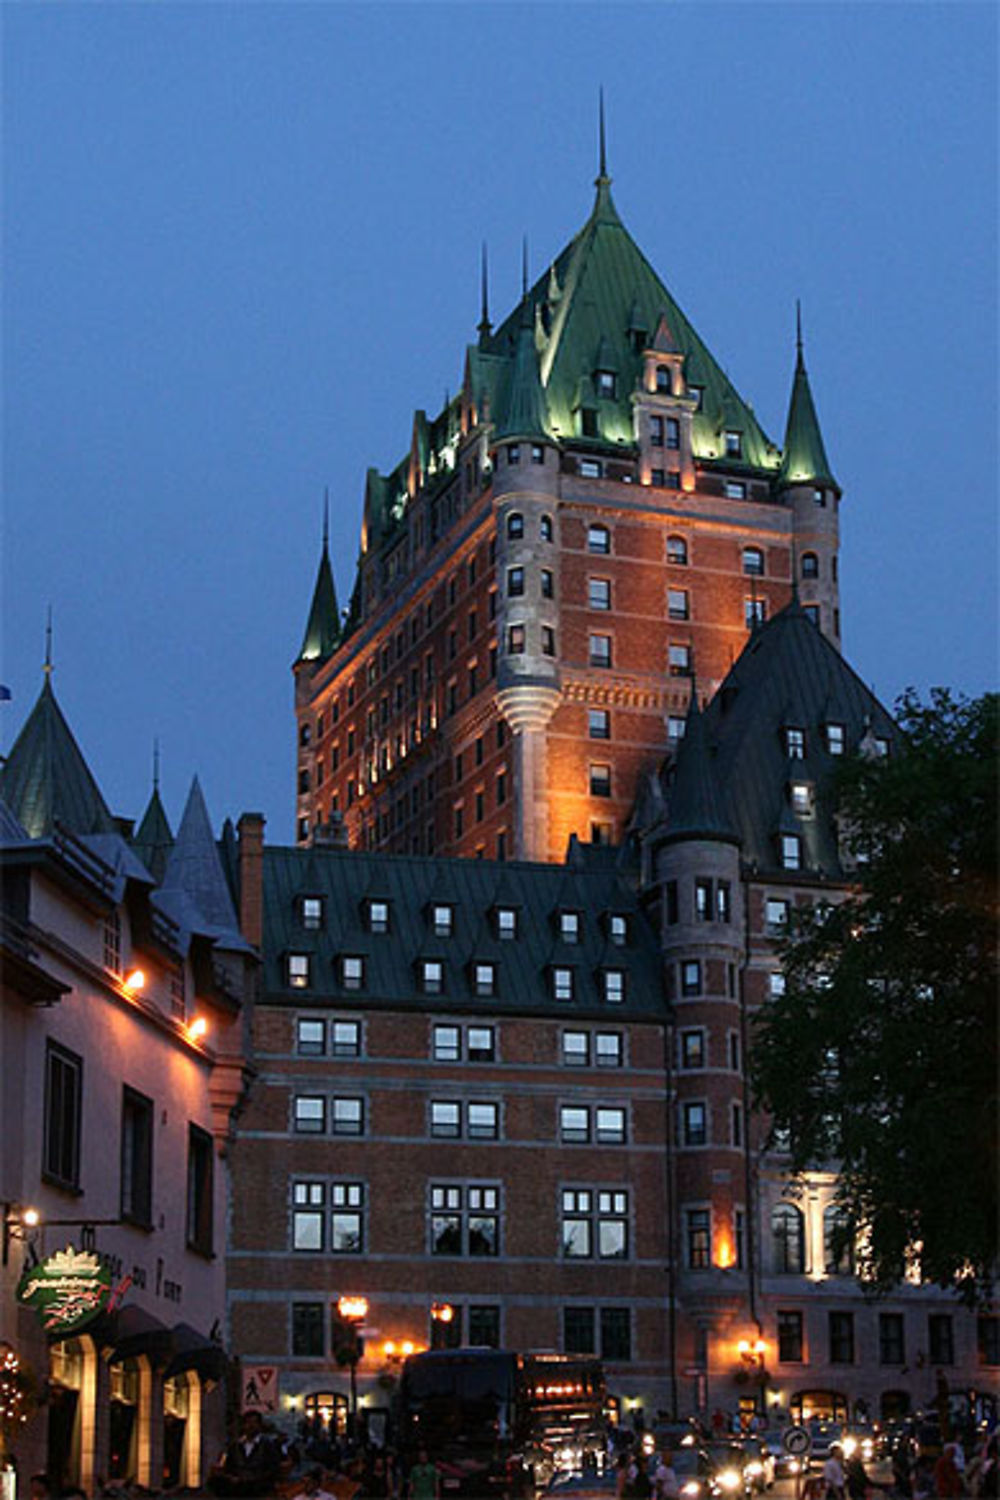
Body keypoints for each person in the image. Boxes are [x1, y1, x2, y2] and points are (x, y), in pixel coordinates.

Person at [208, 1411, 282, 1497]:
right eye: (248, 1422)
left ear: (259, 1425)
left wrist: (252, 1479)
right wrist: (230, 1476)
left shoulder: (268, 1445)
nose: (251, 1426)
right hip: (237, 1482)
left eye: (254, 1423)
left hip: (257, 1484)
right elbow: (229, 1465)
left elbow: (272, 1468)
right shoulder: (236, 1445)